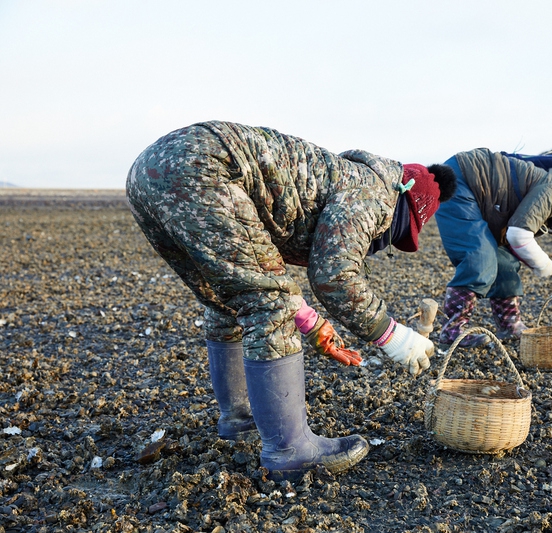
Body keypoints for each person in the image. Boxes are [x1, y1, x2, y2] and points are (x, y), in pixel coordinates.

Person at [126, 121, 456, 481]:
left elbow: (258, 267)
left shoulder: (340, 179)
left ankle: (238, 420)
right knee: (266, 307)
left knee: (229, 301)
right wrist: (393, 336)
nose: (385, 242)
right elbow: (333, 276)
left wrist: (312, 325)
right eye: (399, 233)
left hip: (149, 173)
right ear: (404, 207)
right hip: (206, 164)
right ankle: (291, 450)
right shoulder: (374, 192)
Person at [433, 148, 552, 347]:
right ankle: (451, 332)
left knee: (506, 264)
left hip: (484, 196)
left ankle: (510, 325)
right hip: (461, 179)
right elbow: (519, 236)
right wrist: (549, 269)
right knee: (478, 258)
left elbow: (514, 243)